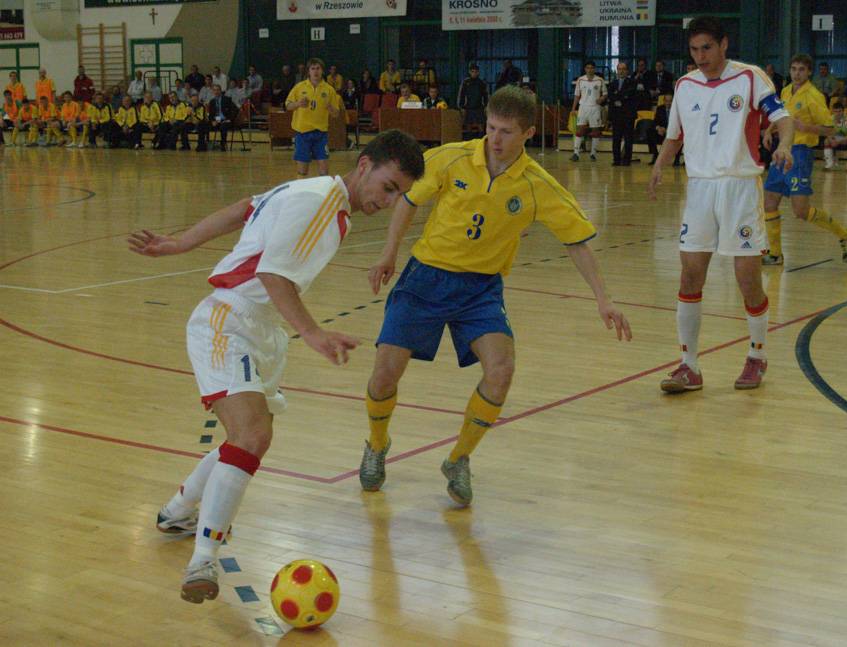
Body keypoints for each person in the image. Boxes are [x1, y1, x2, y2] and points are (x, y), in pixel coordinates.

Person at [127, 128, 424, 604]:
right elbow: (270, 274)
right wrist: (313, 333)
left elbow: (245, 207)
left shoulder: (319, 195)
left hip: (258, 328)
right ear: (364, 165)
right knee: (252, 435)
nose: (389, 202)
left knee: (245, 438)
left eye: (399, 195)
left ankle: (178, 510)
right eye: (388, 187)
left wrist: (182, 243)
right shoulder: (320, 202)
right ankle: (203, 558)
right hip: (229, 322)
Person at [358, 86, 631, 506]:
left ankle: (459, 459)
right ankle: (376, 445)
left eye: (506, 131)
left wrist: (604, 299)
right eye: (490, 127)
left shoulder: (538, 185)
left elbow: (576, 241)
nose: (495, 138)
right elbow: (409, 198)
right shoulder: (451, 158)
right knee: (383, 375)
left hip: (480, 289)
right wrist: (389, 251)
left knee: (501, 370)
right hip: (425, 280)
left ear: (528, 133)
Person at [648, 15, 794, 393]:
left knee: (747, 280)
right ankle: (688, 366)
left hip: (739, 187)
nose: (700, 57)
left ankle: (757, 355)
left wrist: (785, 145)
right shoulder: (684, 85)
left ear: (724, 44)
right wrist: (659, 165)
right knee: (690, 275)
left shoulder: (749, 77)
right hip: (699, 190)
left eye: (707, 48)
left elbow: (783, 117)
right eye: (694, 49)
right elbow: (675, 136)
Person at [762, 54, 847, 265]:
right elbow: (780, 116)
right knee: (769, 203)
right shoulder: (786, 90)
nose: (796, 73)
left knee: (801, 211)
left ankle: (844, 234)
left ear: (809, 72)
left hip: (800, 154)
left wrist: (806, 128)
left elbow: (831, 128)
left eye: (801, 70)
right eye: (793, 69)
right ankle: (775, 254)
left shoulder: (813, 96)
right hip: (782, 151)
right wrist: (769, 130)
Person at [285, 57, 340, 177]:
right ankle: (302, 192)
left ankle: (324, 193)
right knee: (303, 170)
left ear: (322, 71)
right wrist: (298, 104)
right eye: (313, 68)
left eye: (318, 68)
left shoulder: (329, 90)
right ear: (308, 71)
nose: (315, 71)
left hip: (321, 133)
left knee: (324, 169)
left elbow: (336, 114)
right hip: (302, 132)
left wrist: (330, 108)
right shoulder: (299, 87)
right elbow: (288, 106)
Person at [570, 60, 606, 162]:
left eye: (592, 68)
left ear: (594, 69)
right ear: (585, 69)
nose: (590, 70)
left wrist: (601, 99)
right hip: (583, 107)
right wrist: (573, 108)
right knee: (580, 130)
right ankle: (576, 153)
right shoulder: (580, 80)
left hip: (595, 107)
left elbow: (605, 93)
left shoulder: (600, 80)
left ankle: (593, 153)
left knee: (595, 131)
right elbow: (577, 95)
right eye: (588, 68)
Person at [607, 61, 638, 166]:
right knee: (616, 139)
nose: (621, 71)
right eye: (619, 69)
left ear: (627, 71)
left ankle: (626, 160)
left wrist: (618, 96)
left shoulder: (632, 82)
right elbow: (611, 98)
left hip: (628, 115)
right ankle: (616, 160)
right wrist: (620, 97)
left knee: (628, 139)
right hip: (616, 116)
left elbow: (629, 95)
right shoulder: (612, 84)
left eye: (623, 69)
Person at [647, 94, 682, 166]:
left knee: (681, 135)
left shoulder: (677, 109)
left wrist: (668, 130)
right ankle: (655, 155)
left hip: (673, 132)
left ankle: (677, 159)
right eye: (666, 101)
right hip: (662, 132)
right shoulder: (660, 108)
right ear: (663, 101)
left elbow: (679, 123)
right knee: (650, 131)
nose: (668, 103)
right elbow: (655, 121)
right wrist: (658, 128)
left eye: (670, 101)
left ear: (673, 101)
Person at [824, 100, 847, 172]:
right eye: (835, 111)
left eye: (839, 111)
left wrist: (838, 142)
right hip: (840, 138)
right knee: (826, 141)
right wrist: (832, 141)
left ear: (843, 111)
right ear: (833, 111)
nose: (838, 113)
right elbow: (827, 133)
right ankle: (829, 164)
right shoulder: (830, 119)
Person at [457, 63, 489, 138]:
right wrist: (461, 106)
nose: (474, 73)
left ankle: (481, 141)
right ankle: (469, 141)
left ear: (478, 72)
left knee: (481, 127)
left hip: (479, 108)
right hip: (468, 107)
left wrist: (486, 106)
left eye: (475, 71)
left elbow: (485, 95)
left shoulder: (481, 83)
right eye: (472, 71)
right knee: (468, 127)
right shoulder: (466, 82)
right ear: (469, 72)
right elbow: (462, 94)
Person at [208, 84, 237, 152]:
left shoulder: (227, 99)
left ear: (220, 91)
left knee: (223, 126)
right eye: (214, 90)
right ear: (213, 91)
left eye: (218, 90)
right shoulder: (212, 101)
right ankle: (203, 144)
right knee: (204, 125)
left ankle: (223, 144)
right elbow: (211, 114)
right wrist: (212, 121)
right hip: (217, 120)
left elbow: (235, 110)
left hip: (226, 120)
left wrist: (229, 119)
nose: (216, 92)